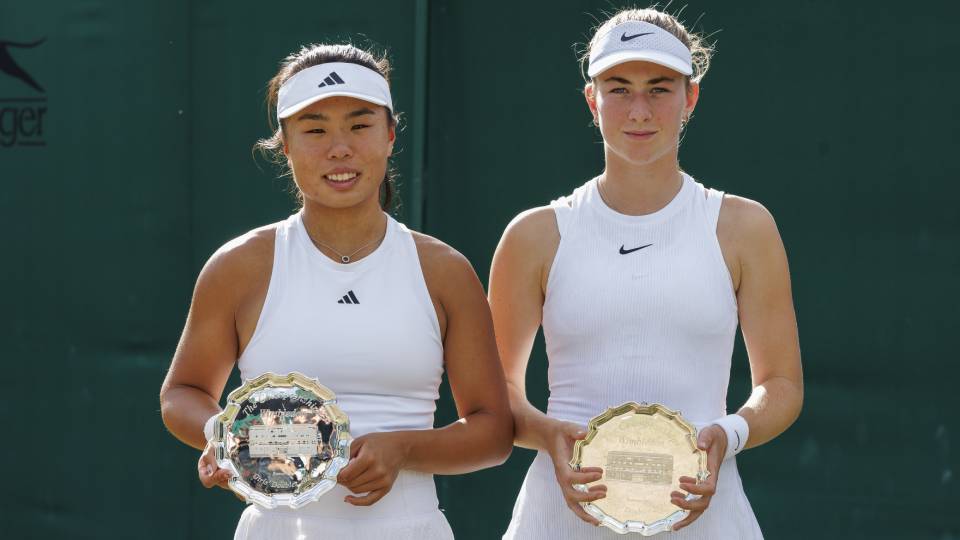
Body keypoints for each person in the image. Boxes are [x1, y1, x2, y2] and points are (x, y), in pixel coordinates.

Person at [159, 43, 513, 540]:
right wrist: (223, 432)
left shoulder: (445, 271)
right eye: (315, 128)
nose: (339, 148)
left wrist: (405, 448)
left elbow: (493, 431)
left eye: (360, 124)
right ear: (284, 144)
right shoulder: (238, 266)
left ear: (390, 135)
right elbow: (182, 392)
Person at [490, 8, 803, 539]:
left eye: (659, 89)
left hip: (707, 515)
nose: (639, 111)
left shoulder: (745, 228)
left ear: (691, 98)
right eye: (619, 89)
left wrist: (727, 435)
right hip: (560, 519)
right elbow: (495, 395)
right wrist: (550, 436)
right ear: (592, 100)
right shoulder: (535, 235)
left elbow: (782, 384)